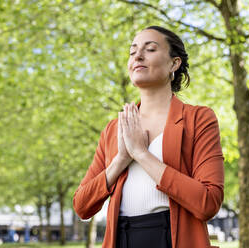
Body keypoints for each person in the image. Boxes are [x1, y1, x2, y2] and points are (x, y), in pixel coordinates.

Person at [73, 26, 224, 248]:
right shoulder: (114, 129)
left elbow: (208, 202)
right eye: (132, 51)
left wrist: (142, 154)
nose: (138, 56)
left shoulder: (198, 119)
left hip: (174, 239)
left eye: (150, 49)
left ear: (174, 63)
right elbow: (82, 205)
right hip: (122, 239)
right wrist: (120, 161)